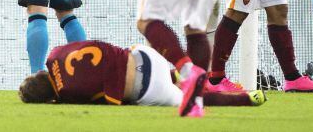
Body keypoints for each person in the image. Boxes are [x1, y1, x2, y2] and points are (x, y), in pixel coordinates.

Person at [18, 40, 267, 115]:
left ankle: (247, 98)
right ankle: (179, 74)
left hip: (149, 88)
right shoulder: (54, 55)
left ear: (48, 100)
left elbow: (107, 101)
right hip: (145, 56)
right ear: (40, 72)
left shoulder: (66, 95)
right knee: (167, 75)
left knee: (191, 101)